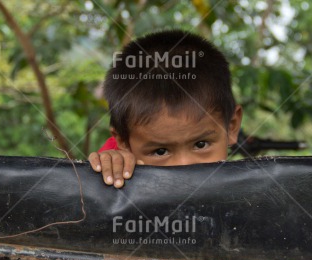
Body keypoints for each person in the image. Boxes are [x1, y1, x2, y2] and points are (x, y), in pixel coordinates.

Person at [88, 30, 243, 188]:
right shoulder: (116, 181)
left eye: (201, 144)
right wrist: (110, 171)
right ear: (123, 142)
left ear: (231, 126)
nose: (184, 168)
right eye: (160, 151)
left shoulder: (252, 191)